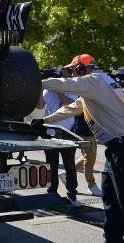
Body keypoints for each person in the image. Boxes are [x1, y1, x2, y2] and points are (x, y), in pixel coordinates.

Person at [32, 54, 124, 242]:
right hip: (115, 148)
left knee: (120, 201)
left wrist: (38, 81)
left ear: (82, 69)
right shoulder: (102, 83)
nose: (72, 74)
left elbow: (68, 85)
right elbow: (73, 107)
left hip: (121, 149)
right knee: (111, 200)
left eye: (74, 70)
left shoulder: (94, 81)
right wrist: (45, 121)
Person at [42, 68, 80, 207]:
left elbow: (67, 103)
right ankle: (52, 192)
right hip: (50, 132)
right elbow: (40, 105)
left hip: (67, 133)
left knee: (69, 165)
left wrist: (59, 89)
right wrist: (39, 88)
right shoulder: (47, 91)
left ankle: (72, 195)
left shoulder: (73, 89)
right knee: (51, 166)